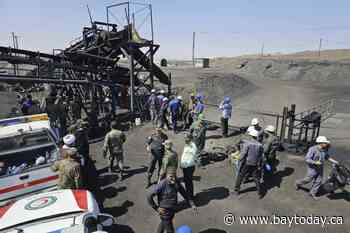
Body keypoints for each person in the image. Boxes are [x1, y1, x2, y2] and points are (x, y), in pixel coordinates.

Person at [147, 168, 196, 233]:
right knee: (170, 230)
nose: (173, 178)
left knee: (163, 224)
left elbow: (184, 193)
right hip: (165, 213)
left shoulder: (176, 182)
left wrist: (191, 204)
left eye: (174, 176)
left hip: (172, 210)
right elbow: (149, 196)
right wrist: (156, 208)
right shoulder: (162, 184)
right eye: (171, 176)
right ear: (166, 176)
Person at [295, 136, 338, 200]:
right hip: (313, 169)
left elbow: (327, 157)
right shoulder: (312, 149)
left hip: (320, 168)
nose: (326, 144)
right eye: (325, 143)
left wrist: (334, 161)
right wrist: (315, 162)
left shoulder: (324, 149)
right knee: (308, 180)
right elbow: (307, 159)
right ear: (320, 143)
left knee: (318, 181)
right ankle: (297, 183)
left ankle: (312, 193)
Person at [234, 129, 264, 198]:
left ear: (251, 136)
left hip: (247, 163)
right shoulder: (260, 145)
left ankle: (236, 189)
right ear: (257, 137)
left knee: (240, 175)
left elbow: (243, 154)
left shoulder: (247, 144)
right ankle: (259, 192)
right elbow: (261, 155)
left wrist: (238, 159)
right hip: (255, 163)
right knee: (255, 177)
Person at [180, 134, 198, 201]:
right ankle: (189, 195)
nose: (185, 139)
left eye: (186, 138)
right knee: (187, 181)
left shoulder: (192, 145)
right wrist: (182, 164)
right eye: (184, 138)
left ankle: (190, 197)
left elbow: (192, 156)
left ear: (190, 138)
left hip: (189, 167)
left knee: (189, 182)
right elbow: (184, 155)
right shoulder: (187, 145)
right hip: (185, 166)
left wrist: (185, 165)